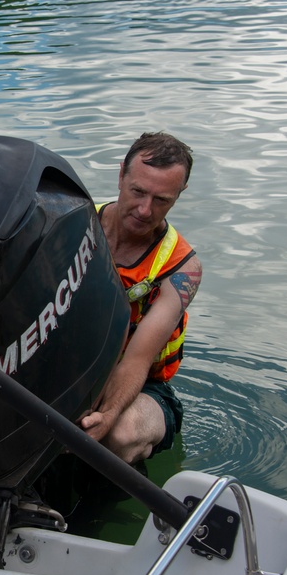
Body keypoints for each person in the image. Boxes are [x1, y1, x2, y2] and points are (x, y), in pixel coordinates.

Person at [80, 131, 202, 465]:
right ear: (121, 175)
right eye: (137, 192)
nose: (146, 210)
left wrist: (106, 415)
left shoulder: (181, 267)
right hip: (73, 369)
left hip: (142, 386)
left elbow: (137, 360)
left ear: (180, 193)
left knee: (120, 434)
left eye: (162, 200)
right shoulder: (75, 225)